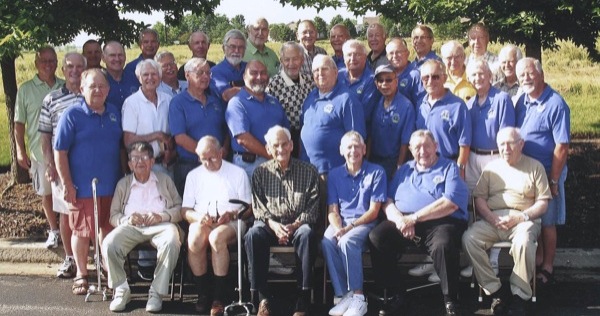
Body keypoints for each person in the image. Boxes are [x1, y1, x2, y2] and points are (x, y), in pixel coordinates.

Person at [368, 129, 469, 316]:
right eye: (417, 147)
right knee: (377, 237)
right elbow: (387, 200)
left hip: (440, 222)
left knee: (443, 245)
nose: (422, 151)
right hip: (404, 221)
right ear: (411, 151)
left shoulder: (449, 167)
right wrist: (400, 221)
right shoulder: (404, 169)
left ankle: (450, 300)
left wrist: (414, 218)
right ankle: (396, 293)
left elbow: (450, 203)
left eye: (427, 146)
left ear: (436, 146)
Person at [462, 127, 551, 316]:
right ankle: (495, 291)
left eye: (510, 143)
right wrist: (491, 217)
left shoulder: (535, 167)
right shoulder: (491, 168)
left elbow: (543, 202)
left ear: (521, 144)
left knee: (525, 242)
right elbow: (479, 198)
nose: (506, 148)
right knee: (469, 238)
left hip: (524, 220)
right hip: (493, 219)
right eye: (502, 144)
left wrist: (521, 217)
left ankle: (519, 295)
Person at [54, 68, 122, 295]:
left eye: (102, 86)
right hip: (82, 187)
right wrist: (67, 184)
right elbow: (60, 151)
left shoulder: (113, 112)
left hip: (111, 185)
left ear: (108, 90)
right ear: (82, 89)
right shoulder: (72, 115)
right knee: (82, 231)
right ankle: (82, 274)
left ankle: (108, 270)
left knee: (107, 229)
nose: (98, 90)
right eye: (92, 86)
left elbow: (121, 148)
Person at [245, 126, 320, 316]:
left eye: (284, 144)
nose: (280, 149)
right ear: (268, 149)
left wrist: (294, 225)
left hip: (297, 224)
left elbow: (312, 208)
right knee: (253, 234)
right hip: (270, 224)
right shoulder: (260, 172)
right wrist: (273, 225)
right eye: (275, 145)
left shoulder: (309, 171)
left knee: (307, 234)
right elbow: (258, 207)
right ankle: (262, 299)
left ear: (292, 145)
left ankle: (302, 299)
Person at [102, 141, 182, 313]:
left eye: (144, 157)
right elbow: (113, 216)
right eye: (135, 158)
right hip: (132, 227)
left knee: (171, 240)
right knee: (109, 244)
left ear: (152, 161)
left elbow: (179, 208)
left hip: (161, 225)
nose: (140, 161)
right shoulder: (123, 184)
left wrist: (162, 216)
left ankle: (156, 293)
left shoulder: (164, 180)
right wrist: (127, 219)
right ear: (130, 164)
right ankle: (122, 289)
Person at [515, 57, 570, 287]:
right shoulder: (522, 102)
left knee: (547, 222)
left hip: (548, 174)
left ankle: (547, 266)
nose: (526, 78)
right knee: (532, 220)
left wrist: (554, 179)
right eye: (521, 76)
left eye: (530, 74)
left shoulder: (556, 103)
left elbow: (562, 146)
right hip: (526, 173)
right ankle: (536, 260)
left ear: (541, 74)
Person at [181, 136, 251, 315]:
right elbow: (185, 211)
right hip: (204, 219)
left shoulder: (237, 173)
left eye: (211, 158)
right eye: (203, 159)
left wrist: (232, 214)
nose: (207, 163)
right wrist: (199, 217)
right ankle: (203, 293)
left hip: (233, 221)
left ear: (221, 153)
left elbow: (249, 209)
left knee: (216, 238)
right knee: (195, 239)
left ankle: (219, 297)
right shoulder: (193, 175)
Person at [460, 60, 515, 278]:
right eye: (473, 75)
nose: (477, 79)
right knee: (473, 206)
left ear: (490, 76)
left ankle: (492, 261)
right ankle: (476, 259)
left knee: (492, 206)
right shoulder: (470, 103)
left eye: (481, 74)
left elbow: (506, 134)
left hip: (495, 158)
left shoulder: (502, 99)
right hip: (473, 157)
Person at [322, 131, 386, 316]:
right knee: (327, 240)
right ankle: (344, 295)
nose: (353, 150)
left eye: (357, 146)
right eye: (349, 147)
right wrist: (337, 228)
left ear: (364, 149)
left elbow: (374, 211)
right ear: (341, 150)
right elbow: (333, 210)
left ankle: (359, 298)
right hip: (343, 223)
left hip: (366, 223)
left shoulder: (376, 172)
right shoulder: (334, 174)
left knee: (347, 241)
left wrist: (348, 229)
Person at [38, 52, 85, 278]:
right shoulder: (51, 99)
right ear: (63, 70)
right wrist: (49, 165)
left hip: (90, 165)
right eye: (70, 67)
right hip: (61, 165)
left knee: (92, 212)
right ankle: (70, 259)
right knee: (67, 214)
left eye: (79, 67)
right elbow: (45, 137)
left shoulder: (95, 94)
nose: (74, 71)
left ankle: (94, 259)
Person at [14, 46, 65, 250]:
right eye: (43, 61)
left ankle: (68, 229)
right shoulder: (26, 89)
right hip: (39, 151)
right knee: (47, 193)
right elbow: (19, 124)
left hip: (66, 151)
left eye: (52, 60)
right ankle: (54, 230)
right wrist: (20, 150)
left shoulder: (64, 85)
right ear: (36, 63)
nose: (48, 64)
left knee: (67, 190)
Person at [169, 58, 227, 195]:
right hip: (190, 165)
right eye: (200, 72)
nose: (205, 76)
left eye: (208, 73)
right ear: (187, 75)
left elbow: (226, 130)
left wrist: (224, 149)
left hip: (218, 163)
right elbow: (180, 137)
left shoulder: (216, 101)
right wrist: (208, 155)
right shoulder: (178, 103)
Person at [300, 55, 367, 176]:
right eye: (316, 70)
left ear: (336, 72)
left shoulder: (347, 99)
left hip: (333, 174)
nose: (320, 73)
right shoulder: (310, 98)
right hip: (307, 172)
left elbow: (357, 139)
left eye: (324, 69)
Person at [226, 60, 290, 178]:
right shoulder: (237, 103)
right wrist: (272, 156)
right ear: (244, 77)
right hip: (250, 165)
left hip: (277, 160)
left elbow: (285, 132)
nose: (259, 77)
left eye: (263, 73)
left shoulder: (273, 101)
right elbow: (243, 139)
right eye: (254, 73)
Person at [416, 59, 471, 174]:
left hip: (448, 166)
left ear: (444, 78)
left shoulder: (458, 106)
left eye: (435, 77)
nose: (430, 81)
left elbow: (464, 143)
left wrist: (460, 170)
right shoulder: (420, 104)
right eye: (426, 78)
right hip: (423, 165)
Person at [122, 59, 174, 177]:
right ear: (139, 78)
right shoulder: (131, 103)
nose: (150, 78)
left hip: (167, 164)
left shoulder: (168, 99)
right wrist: (157, 135)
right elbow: (128, 141)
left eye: (154, 74)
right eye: (145, 74)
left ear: (160, 77)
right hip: (143, 167)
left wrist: (170, 150)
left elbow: (173, 133)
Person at [267, 41, 313, 158]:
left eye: (295, 59)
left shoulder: (310, 81)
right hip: (286, 138)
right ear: (281, 61)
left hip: (308, 136)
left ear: (302, 60)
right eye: (287, 60)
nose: (291, 64)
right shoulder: (274, 84)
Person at [368, 65, 415, 180]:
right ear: (376, 84)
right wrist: (367, 160)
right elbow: (371, 135)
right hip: (374, 160)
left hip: (392, 162)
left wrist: (399, 167)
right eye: (380, 80)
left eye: (389, 80)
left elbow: (405, 141)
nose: (384, 84)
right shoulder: (376, 102)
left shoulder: (406, 106)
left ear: (396, 81)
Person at [338, 39, 380, 127]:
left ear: (365, 57)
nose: (352, 59)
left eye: (357, 54)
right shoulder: (337, 75)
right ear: (344, 58)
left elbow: (364, 112)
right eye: (349, 55)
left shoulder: (371, 80)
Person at [386, 37, 424, 107]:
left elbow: (421, 105)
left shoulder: (415, 75)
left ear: (407, 53)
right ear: (387, 56)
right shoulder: (385, 76)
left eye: (398, 52)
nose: (395, 56)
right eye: (391, 53)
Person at [102, 41, 139, 110]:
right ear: (103, 58)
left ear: (125, 56)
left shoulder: (136, 78)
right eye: (112, 55)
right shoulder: (100, 81)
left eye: (120, 55)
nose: (117, 59)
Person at [212, 29, 247, 102]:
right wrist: (255, 89)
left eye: (241, 47)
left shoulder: (249, 68)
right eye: (232, 47)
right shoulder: (216, 72)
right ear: (224, 48)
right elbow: (227, 95)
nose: (237, 51)